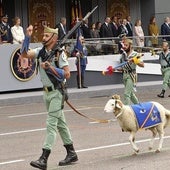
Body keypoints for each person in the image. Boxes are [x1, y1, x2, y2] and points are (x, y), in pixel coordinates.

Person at [21, 25, 78, 170]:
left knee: (51, 124)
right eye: (43, 36)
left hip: (57, 93)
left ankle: (43, 158)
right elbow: (24, 55)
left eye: (46, 36)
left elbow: (67, 74)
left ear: (54, 38)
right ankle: (71, 153)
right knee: (60, 124)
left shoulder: (60, 54)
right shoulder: (40, 51)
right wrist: (27, 36)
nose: (43, 38)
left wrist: (51, 68)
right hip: (46, 93)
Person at [119, 38, 144, 105]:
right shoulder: (123, 55)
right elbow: (122, 66)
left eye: (126, 45)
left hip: (131, 75)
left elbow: (142, 65)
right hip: (124, 75)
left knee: (126, 94)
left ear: (130, 46)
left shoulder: (136, 54)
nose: (124, 47)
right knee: (131, 94)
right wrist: (117, 69)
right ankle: (139, 107)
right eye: (123, 45)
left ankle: (126, 111)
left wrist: (135, 61)